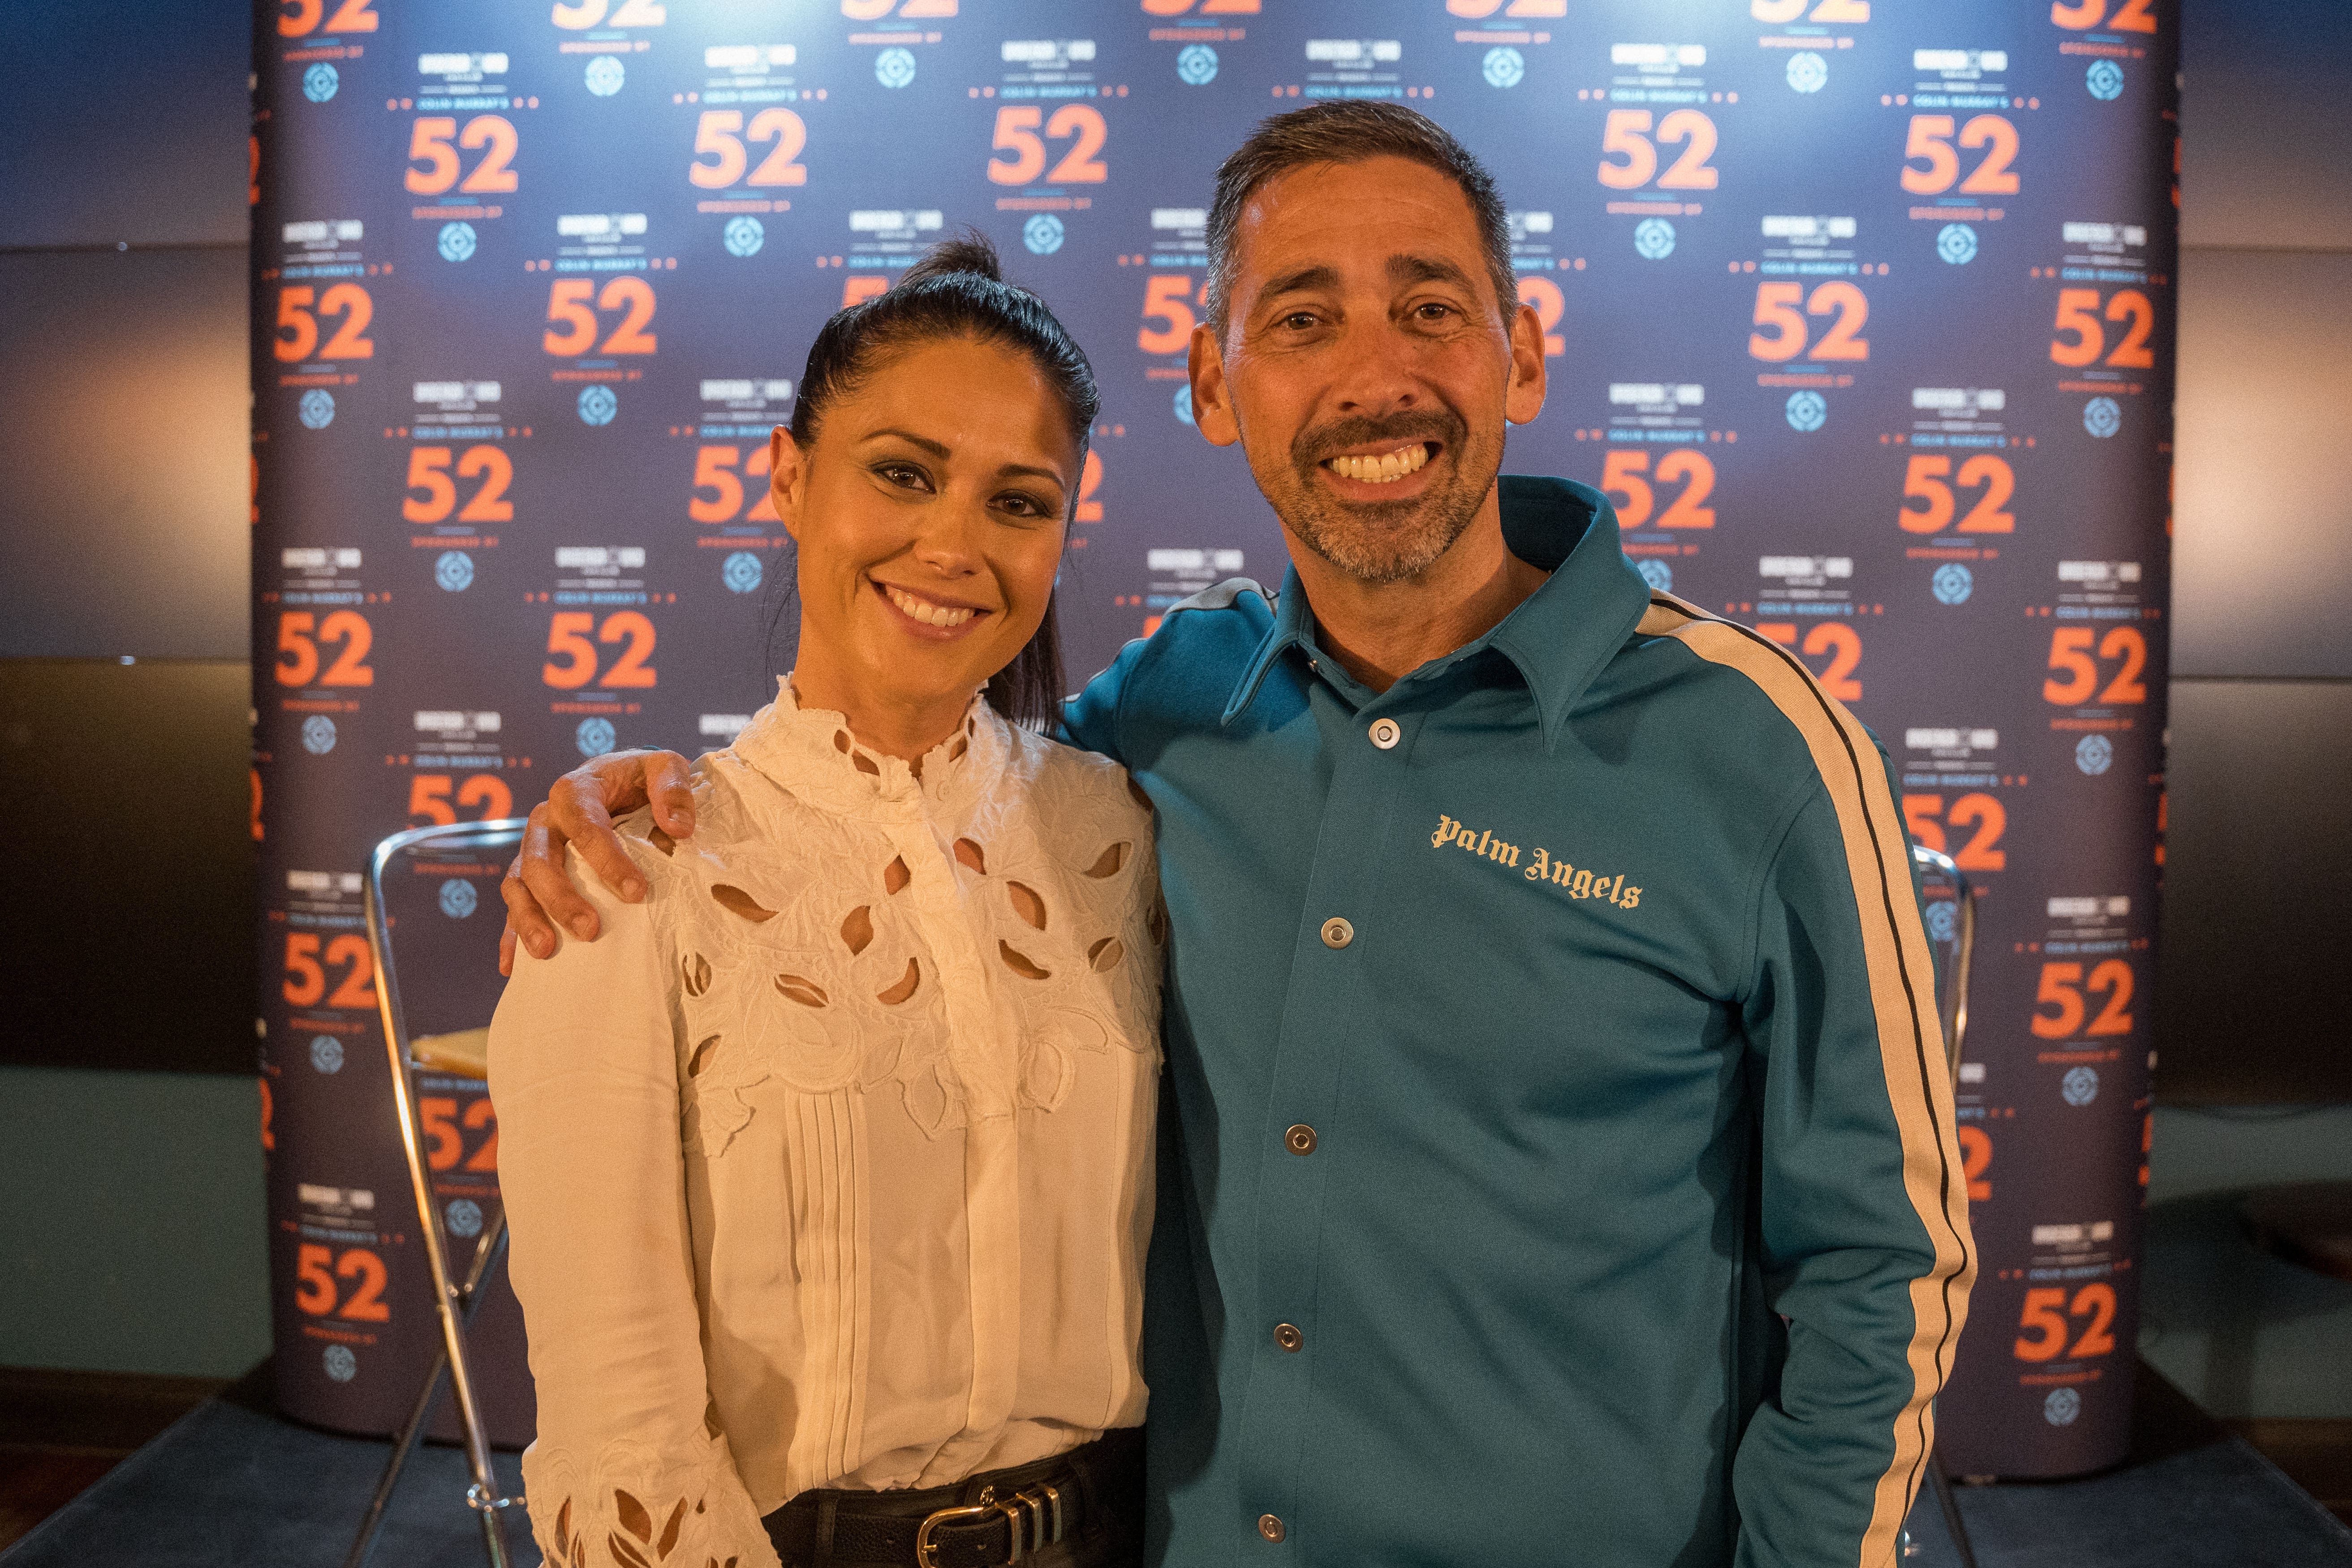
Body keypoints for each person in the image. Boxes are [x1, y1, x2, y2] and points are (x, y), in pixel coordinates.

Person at [504, 103, 1976, 1568]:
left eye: (1427, 307)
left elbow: (1882, 1265)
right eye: (1301, 319)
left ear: (1519, 351)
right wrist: (662, 803)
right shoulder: (1154, 728)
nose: (1372, 374)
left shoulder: (1757, 744)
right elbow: (901, 781)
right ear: (1214, 383)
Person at [489, 236, 1163, 1568]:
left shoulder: (1123, 836)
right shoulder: (633, 872)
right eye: (902, 473)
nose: (953, 542)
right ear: (790, 477)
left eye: (1018, 503)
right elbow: (618, 1414)